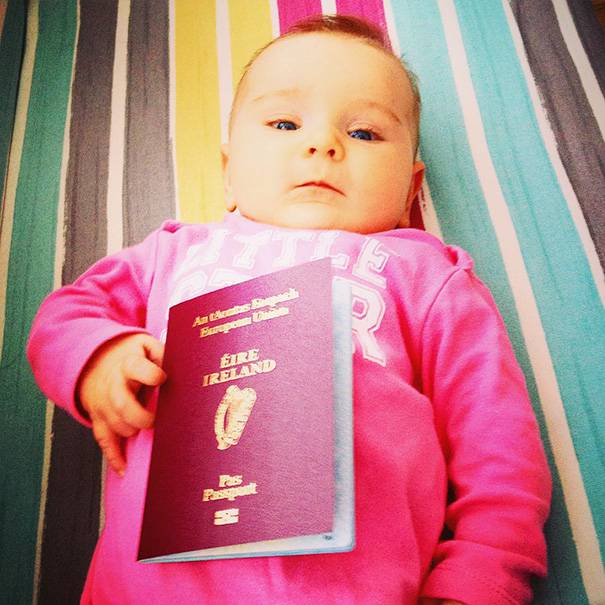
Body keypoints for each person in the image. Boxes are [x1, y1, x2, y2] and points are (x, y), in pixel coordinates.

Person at [27, 14, 551, 605]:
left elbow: (498, 447)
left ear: (410, 189)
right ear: (228, 171)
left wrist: (481, 577)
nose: (321, 144)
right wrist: (98, 355)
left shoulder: (428, 276)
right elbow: (67, 312)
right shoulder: (174, 253)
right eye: (284, 123)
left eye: (364, 133)